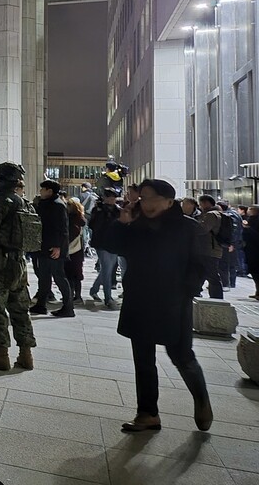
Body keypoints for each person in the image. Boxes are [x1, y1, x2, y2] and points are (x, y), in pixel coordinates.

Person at [109, 179, 212, 433]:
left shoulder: (188, 227)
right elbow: (110, 245)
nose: (147, 203)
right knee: (143, 359)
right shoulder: (136, 226)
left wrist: (184, 292)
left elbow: (200, 265)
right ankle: (147, 413)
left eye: (153, 197)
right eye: (143, 197)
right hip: (140, 300)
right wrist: (121, 223)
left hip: (172, 302)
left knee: (182, 356)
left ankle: (201, 399)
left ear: (169, 200)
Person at [0, 162, 37, 371]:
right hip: (19, 262)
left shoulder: (1, 203)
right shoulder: (25, 203)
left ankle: (1, 354)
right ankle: (26, 354)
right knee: (20, 309)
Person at [29, 180, 74, 318]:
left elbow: (62, 229)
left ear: (49, 191)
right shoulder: (46, 204)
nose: (41, 192)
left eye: (43, 189)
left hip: (54, 248)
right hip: (44, 246)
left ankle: (68, 307)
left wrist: (58, 247)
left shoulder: (58, 205)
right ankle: (41, 304)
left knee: (59, 276)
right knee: (44, 277)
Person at [88, 188, 121, 308]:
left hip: (114, 243)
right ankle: (108, 298)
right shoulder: (98, 209)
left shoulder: (118, 210)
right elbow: (92, 225)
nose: (112, 199)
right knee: (107, 270)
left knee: (107, 269)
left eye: (113, 197)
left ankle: (94, 289)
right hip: (101, 243)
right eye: (110, 197)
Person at [196, 195, 225, 299]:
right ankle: (196, 292)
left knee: (212, 275)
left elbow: (202, 230)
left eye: (201, 203)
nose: (200, 205)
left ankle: (217, 299)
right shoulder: (218, 213)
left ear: (206, 203)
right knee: (203, 273)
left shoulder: (211, 215)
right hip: (212, 249)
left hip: (209, 249)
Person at [64, 196, 87, 302]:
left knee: (70, 273)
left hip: (72, 249)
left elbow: (72, 233)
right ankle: (76, 295)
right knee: (76, 273)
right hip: (78, 250)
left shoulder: (71, 219)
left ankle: (74, 295)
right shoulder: (80, 218)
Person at [243, 206, 259, 299]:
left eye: (250, 209)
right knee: (254, 272)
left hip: (255, 250)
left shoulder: (255, 221)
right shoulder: (251, 219)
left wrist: (247, 228)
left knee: (256, 272)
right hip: (250, 249)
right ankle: (257, 291)